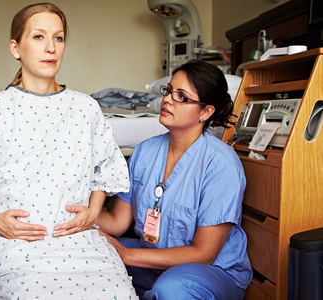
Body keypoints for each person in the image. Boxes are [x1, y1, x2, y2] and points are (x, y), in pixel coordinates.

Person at [0, 3, 138, 299]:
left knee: (119, 294)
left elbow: (107, 171)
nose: (51, 48)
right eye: (38, 37)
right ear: (15, 47)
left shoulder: (86, 108)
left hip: (78, 239)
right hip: (13, 243)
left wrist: (93, 212)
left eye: (58, 38)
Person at [97, 60, 252, 300]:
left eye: (182, 96)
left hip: (211, 272)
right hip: (155, 260)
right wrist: (75, 212)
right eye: (168, 91)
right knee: (92, 253)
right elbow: (118, 222)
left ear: (206, 111)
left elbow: (204, 253)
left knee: (170, 288)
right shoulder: (144, 152)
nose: (168, 99)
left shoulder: (221, 164)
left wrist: (127, 255)